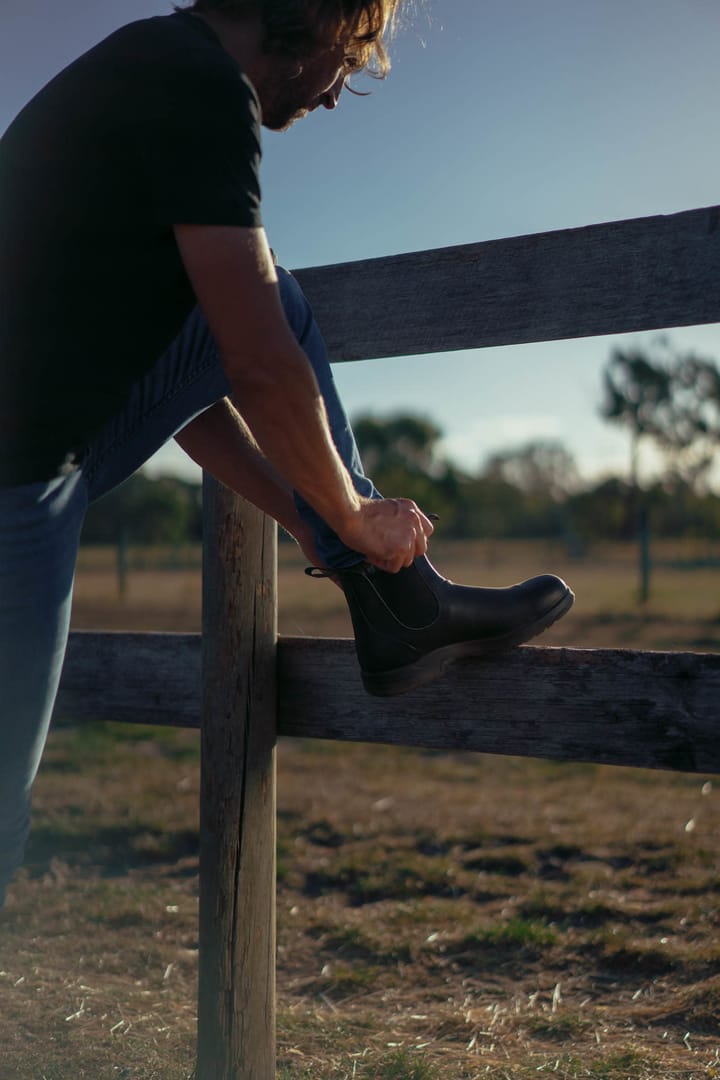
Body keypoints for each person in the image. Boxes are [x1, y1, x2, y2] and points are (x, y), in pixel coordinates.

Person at [0, 0, 574, 907]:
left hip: (41, 448)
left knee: (265, 305)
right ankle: (401, 597)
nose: (340, 93)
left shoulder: (149, 65)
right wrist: (350, 511)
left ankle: (394, 599)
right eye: (350, 55)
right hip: (14, 479)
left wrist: (310, 525)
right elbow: (262, 360)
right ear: (312, 14)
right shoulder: (200, 87)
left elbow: (190, 391)